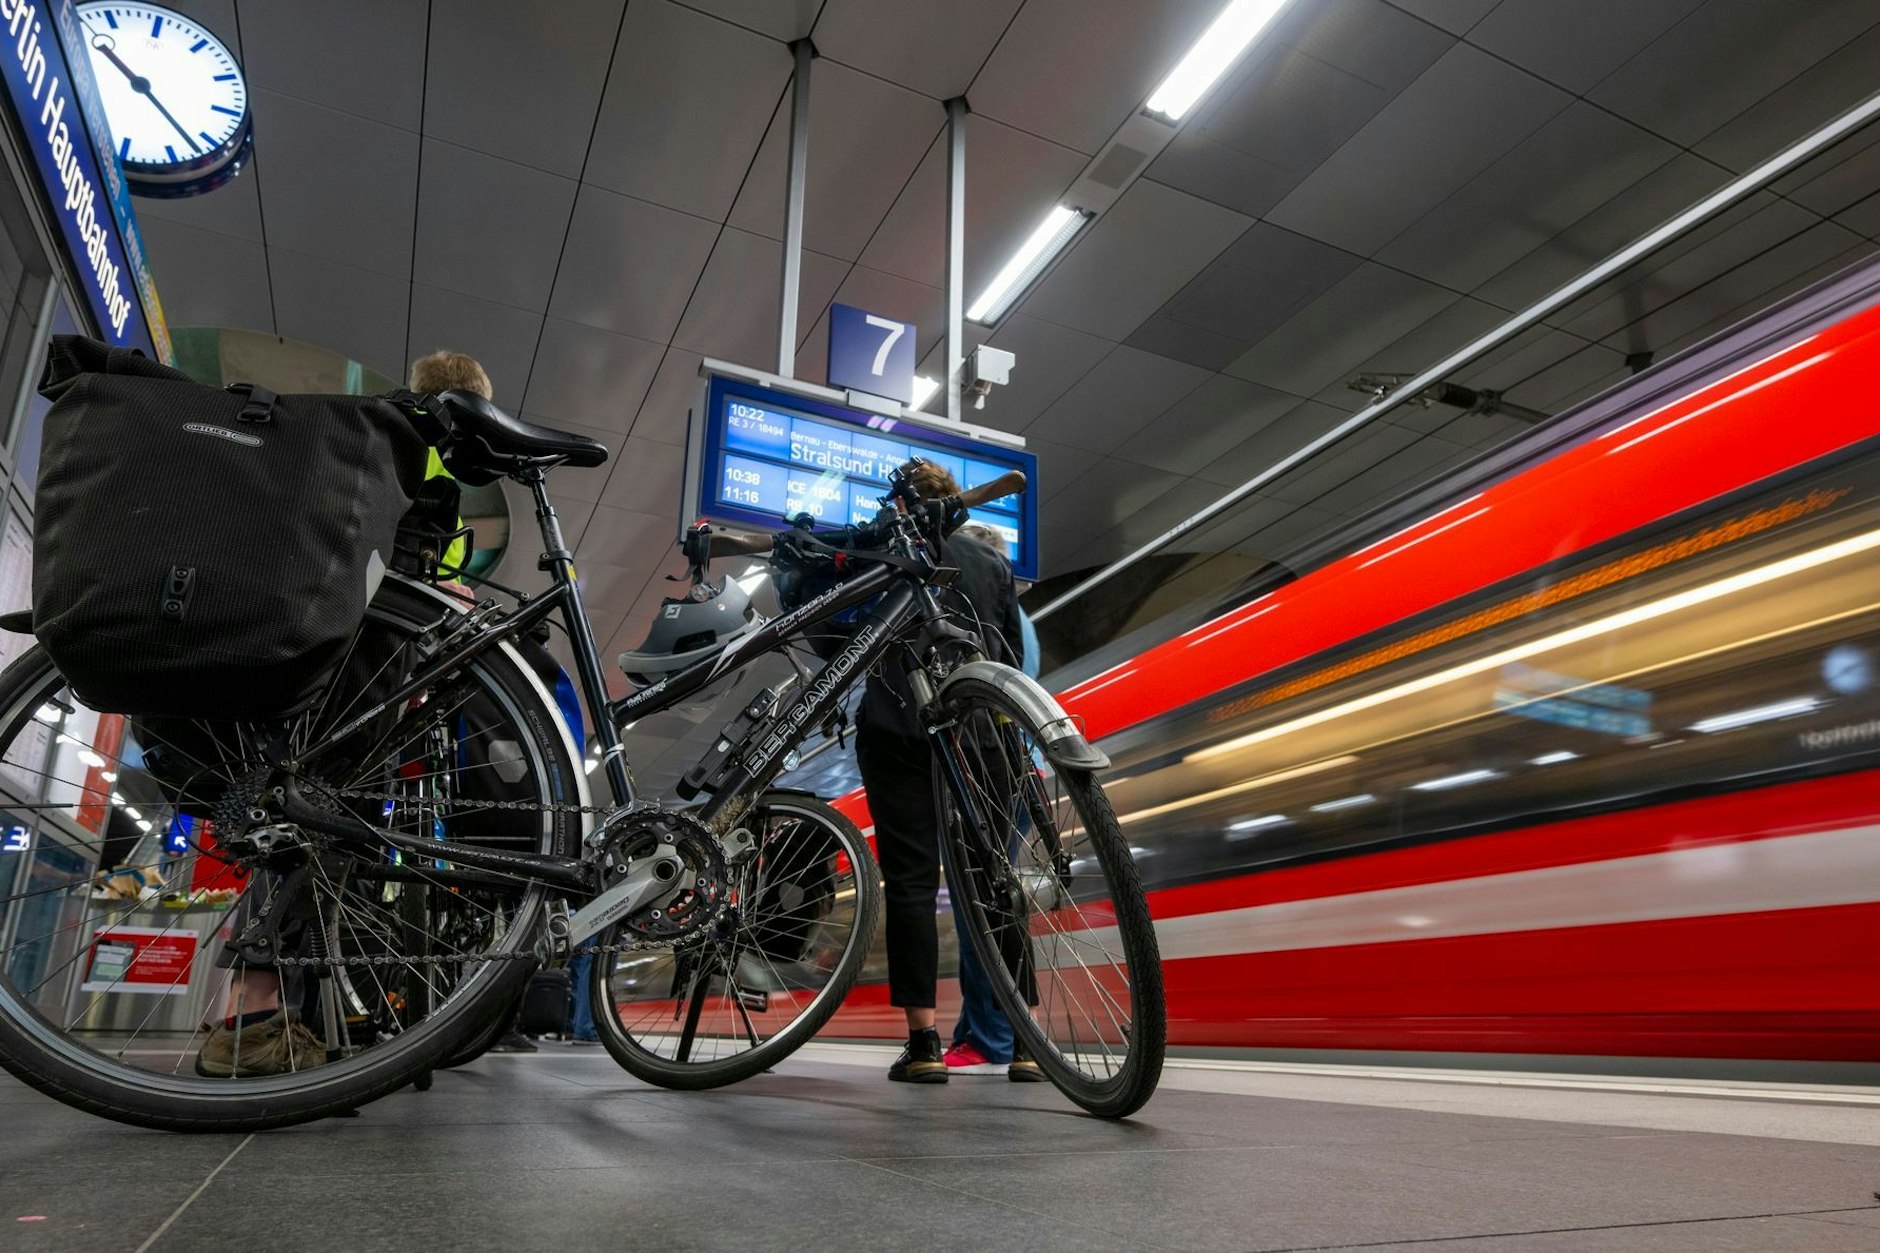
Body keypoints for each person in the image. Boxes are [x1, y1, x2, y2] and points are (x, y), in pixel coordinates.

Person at [853, 462, 1027, 1084]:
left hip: (898, 727)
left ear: (898, 504)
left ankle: (924, 1042)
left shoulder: (880, 545)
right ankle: (1027, 1044)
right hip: (979, 735)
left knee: (911, 885)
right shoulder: (993, 566)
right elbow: (1006, 658)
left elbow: (837, 638)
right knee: (996, 880)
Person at [937, 522, 1043, 1081]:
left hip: (986, 758)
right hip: (1013, 763)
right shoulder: (1019, 620)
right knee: (990, 896)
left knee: (984, 902)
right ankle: (978, 1029)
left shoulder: (983, 613)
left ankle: (993, 1036)